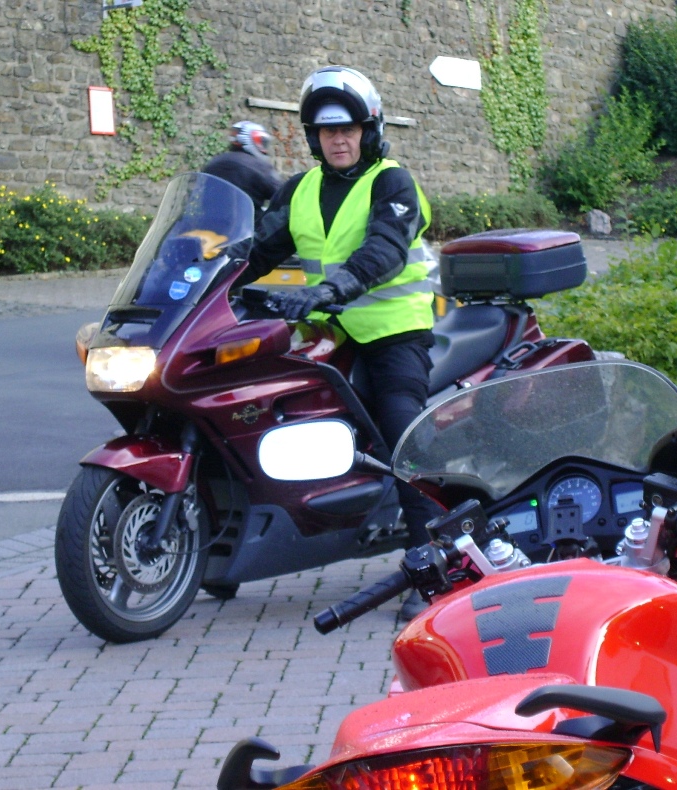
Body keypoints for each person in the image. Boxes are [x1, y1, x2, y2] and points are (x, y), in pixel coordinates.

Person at [235, 65, 441, 620]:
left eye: (348, 129)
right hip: (326, 333)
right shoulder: (300, 190)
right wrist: (204, 280)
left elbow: (386, 248)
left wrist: (332, 288)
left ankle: (434, 566)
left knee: (403, 432)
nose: (339, 140)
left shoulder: (392, 183)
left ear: (369, 130)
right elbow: (255, 251)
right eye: (328, 131)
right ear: (313, 137)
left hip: (393, 330)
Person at [202, 120, 283, 225]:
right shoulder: (258, 166)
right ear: (252, 140)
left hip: (209, 224)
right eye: (261, 141)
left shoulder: (215, 162)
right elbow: (281, 193)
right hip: (246, 227)